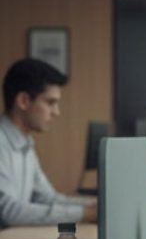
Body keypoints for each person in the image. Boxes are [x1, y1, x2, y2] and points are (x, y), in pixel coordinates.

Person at [0, 58, 97, 228]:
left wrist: (97, 204)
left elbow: (48, 198)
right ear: (23, 101)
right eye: (50, 102)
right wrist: (84, 213)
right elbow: (8, 212)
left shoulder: (25, 143)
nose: (56, 112)